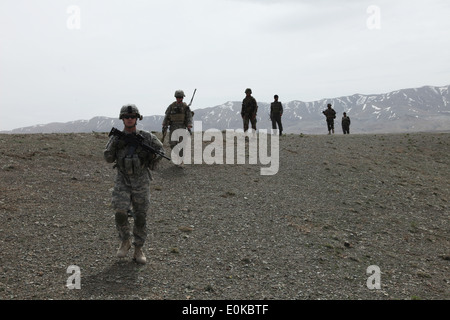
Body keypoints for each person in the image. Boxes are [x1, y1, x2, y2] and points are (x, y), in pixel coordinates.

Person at [103, 104, 164, 264]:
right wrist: (117, 144)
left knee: (140, 216)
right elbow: (108, 157)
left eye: (132, 117)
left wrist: (150, 156)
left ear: (137, 118)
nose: (129, 119)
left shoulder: (147, 137)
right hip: (122, 179)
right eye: (126, 117)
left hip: (141, 180)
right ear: (122, 119)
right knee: (120, 212)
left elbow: (160, 152)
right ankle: (125, 241)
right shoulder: (116, 137)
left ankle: (138, 249)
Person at [162, 90, 193, 165]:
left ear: (182, 98)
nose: (179, 98)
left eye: (180, 97)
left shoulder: (185, 107)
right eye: (178, 97)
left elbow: (189, 116)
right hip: (173, 127)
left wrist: (189, 125)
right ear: (176, 97)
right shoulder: (171, 106)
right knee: (172, 144)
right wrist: (164, 123)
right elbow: (167, 115)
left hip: (182, 127)